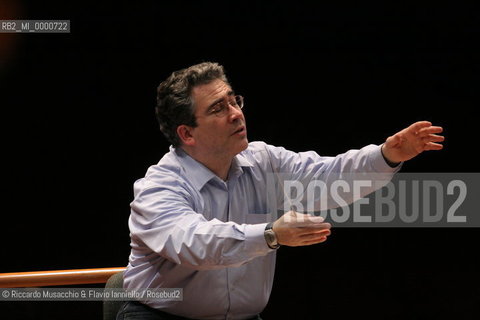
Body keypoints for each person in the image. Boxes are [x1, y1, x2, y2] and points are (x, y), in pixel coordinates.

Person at [117, 62, 444, 320]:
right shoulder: (159, 188)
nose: (236, 114)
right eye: (218, 108)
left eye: (235, 100)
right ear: (187, 133)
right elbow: (196, 242)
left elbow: (326, 177)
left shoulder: (262, 160)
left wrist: (386, 155)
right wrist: (271, 235)